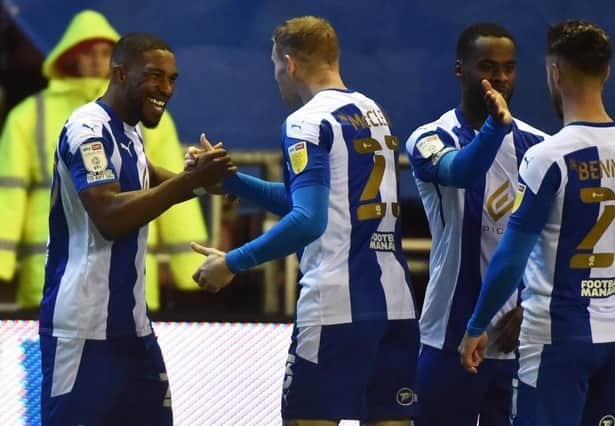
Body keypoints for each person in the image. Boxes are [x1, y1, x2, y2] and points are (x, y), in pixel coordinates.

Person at [188, 16, 419, 425]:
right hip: (395, 307)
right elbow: (326, 206)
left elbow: (309, 220)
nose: (277, 76)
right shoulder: (372, 112)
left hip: (334, 307)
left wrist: (231, 263)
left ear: (289, 63)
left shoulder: (305, 122)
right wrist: (230, 181)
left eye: (276, 66)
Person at [39, 32, 234, 425]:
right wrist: (187, 183)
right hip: (83, 330)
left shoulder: (128, 130)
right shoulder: (88, 130)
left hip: (133, 330)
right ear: (120, 74)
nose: (166, 89)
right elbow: (109, 216)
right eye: (155, 77)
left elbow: (146, 178)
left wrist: (206, 181)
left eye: (173, 79)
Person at [459, 20, 615, 425]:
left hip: (557, 339)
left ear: (554, 73)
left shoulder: (548, 156)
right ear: (607, 72)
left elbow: (510, 257)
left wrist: (476, 326)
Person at [0, 10, 208, 312]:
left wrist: (189, 264)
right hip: (57, 274)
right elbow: (8, 192)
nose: (96, 60)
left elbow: (172, 184)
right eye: (87, 53)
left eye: (104, 53)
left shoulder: (147, 112)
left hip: (128, 275)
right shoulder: (31, 114)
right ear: (70, 57)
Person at [404, 23, 548, 425]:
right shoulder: (429, 138)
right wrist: (494, 129)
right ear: (459, 69)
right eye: (487, 66)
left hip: (520, 339)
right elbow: (462, 172)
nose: (500, 77)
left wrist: (531, 306)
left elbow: (553, 241)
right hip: (447, 335)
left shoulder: (539, 146)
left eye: (509, 67)